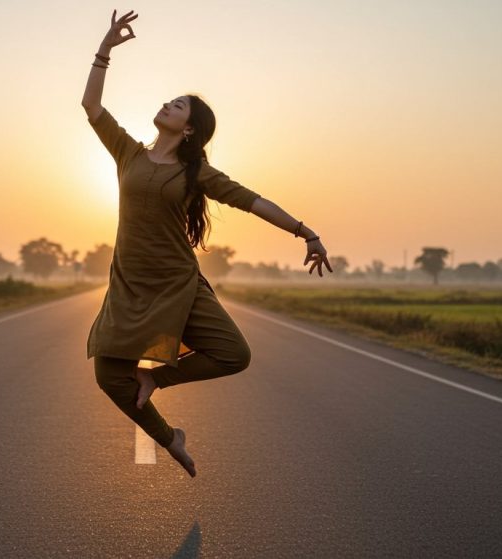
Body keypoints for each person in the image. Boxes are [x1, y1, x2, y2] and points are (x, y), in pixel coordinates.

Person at [81, 9, 333, 478]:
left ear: (190, 129)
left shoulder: (197, 173)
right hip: (130, 288)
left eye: (178, 106)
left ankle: (154, 376)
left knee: (235, 354)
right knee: (107, 377)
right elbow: (92, 108)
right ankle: (168, 438)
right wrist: (104, 50)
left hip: (178, 288)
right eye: (169, 100)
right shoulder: (129, 154)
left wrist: (307, 232)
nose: (167, 105)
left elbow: (253, 201)